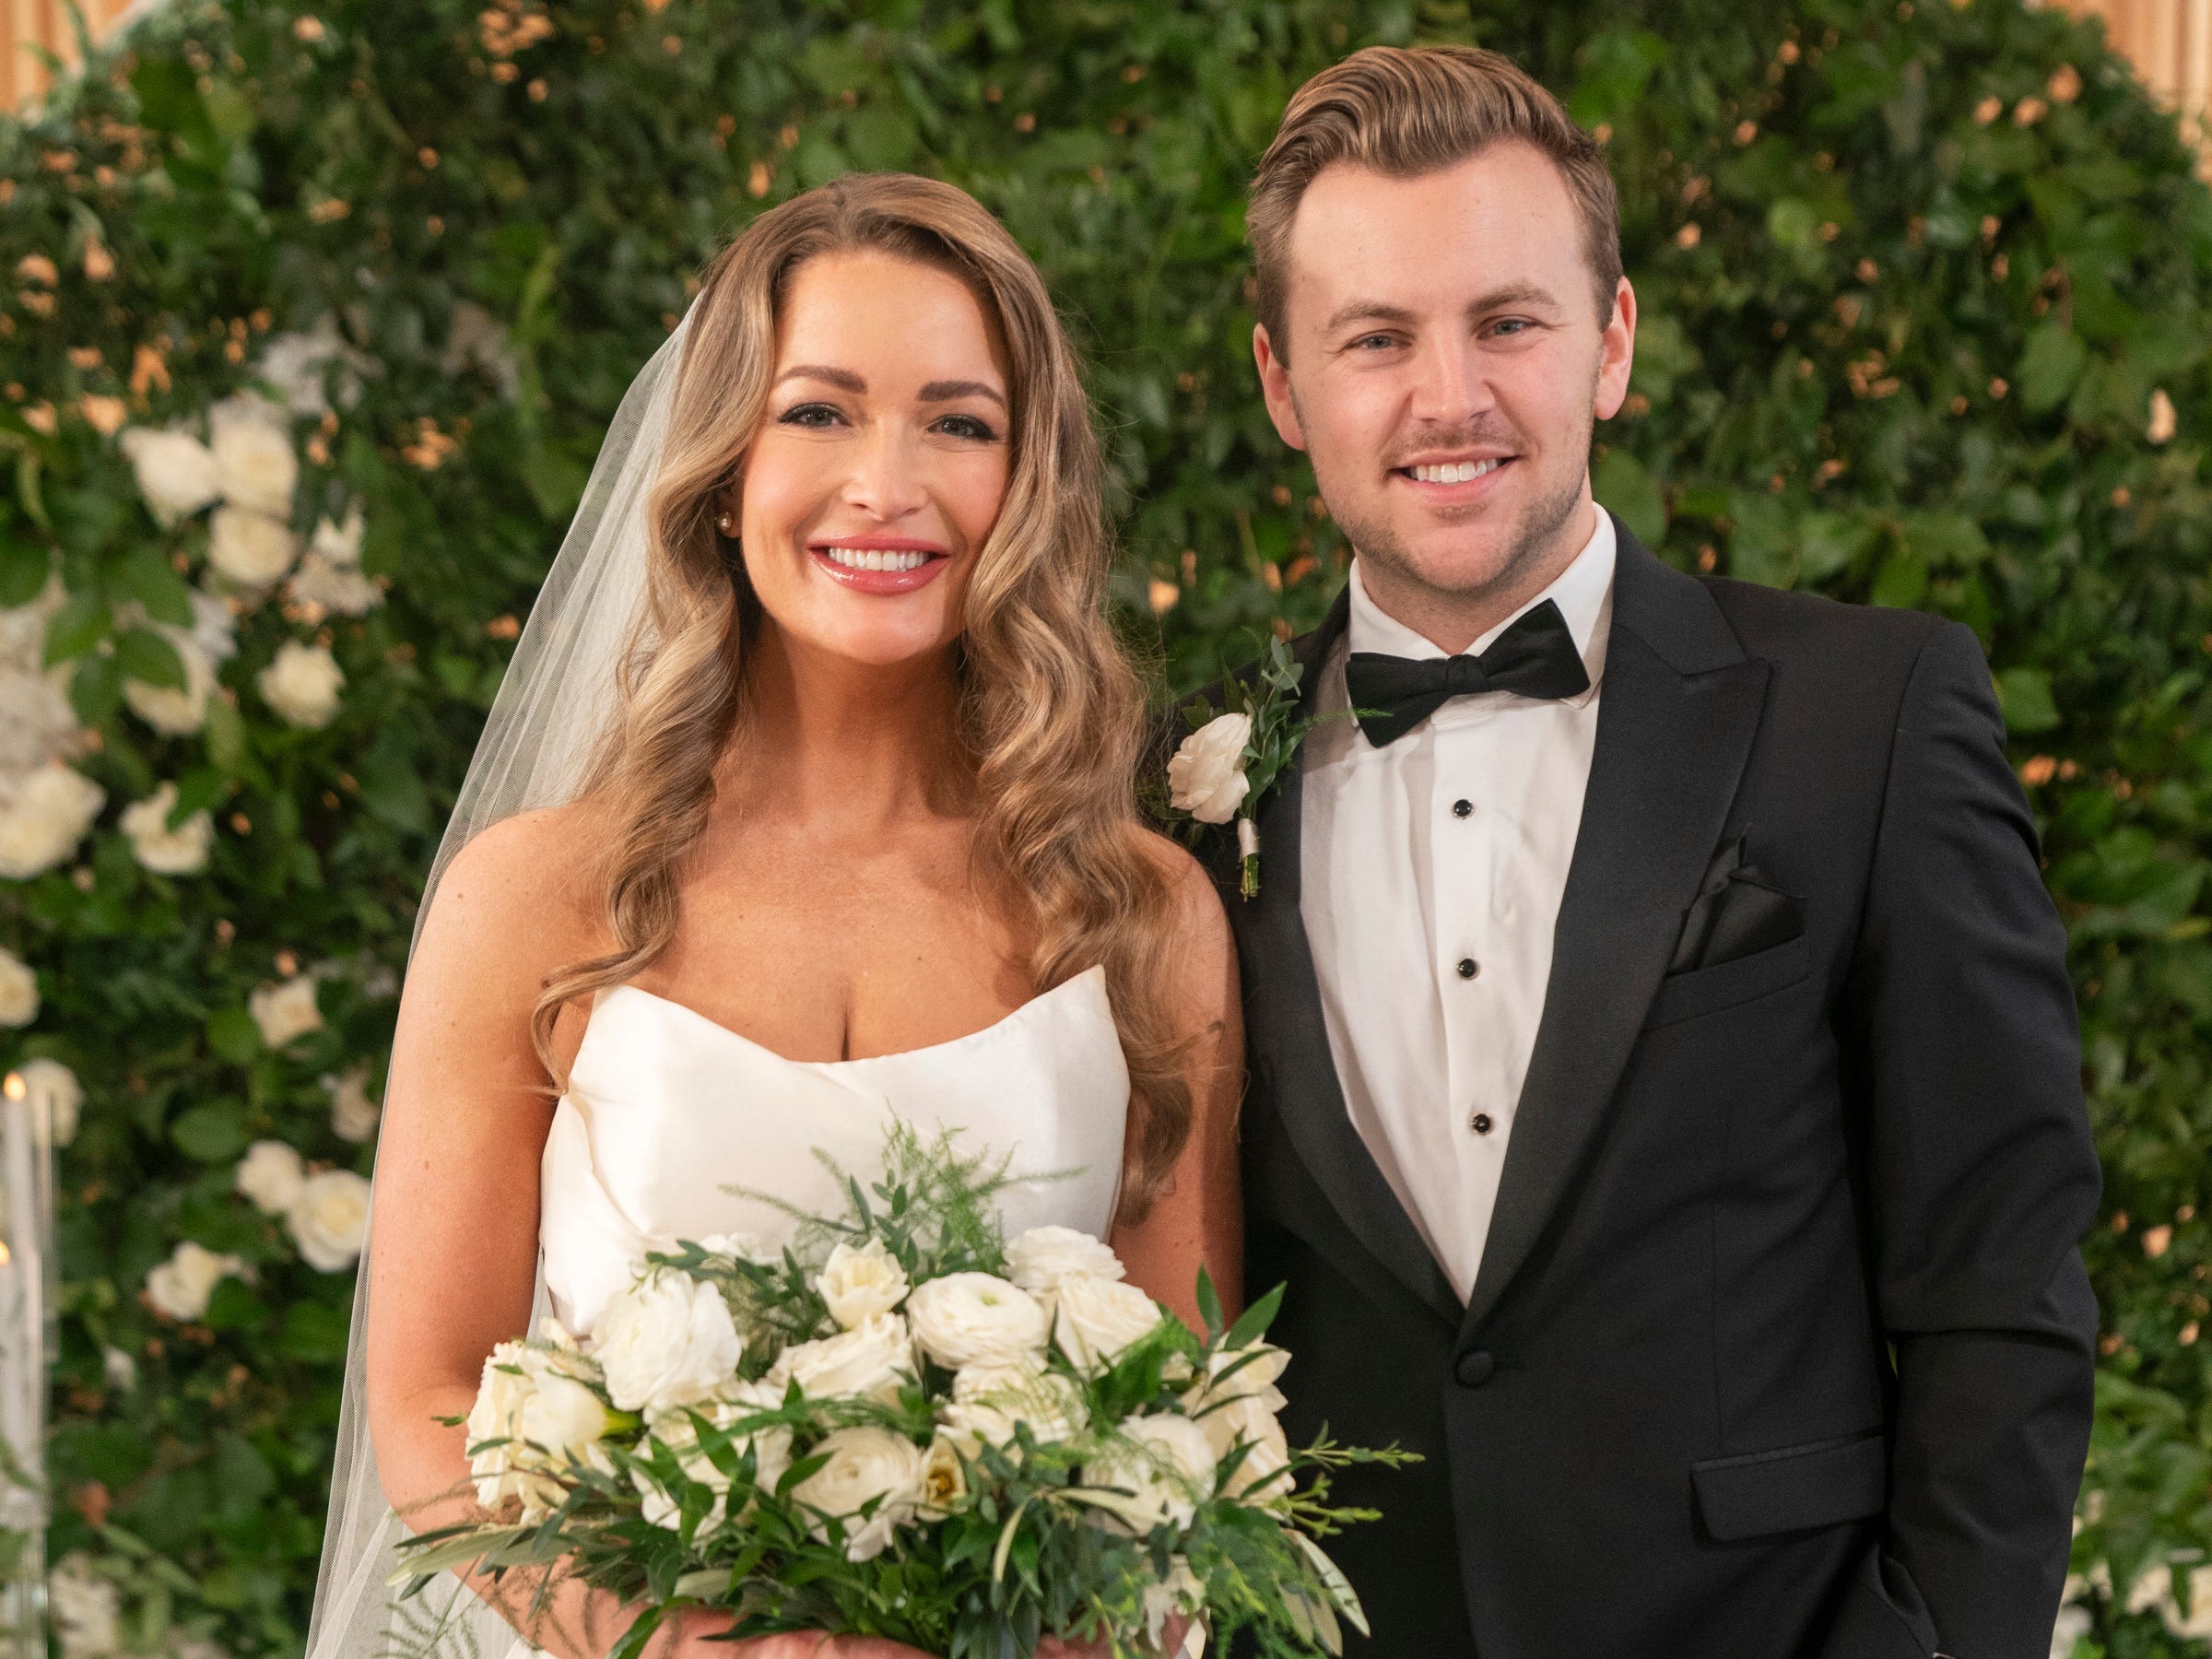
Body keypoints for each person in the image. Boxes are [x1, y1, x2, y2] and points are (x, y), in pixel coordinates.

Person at [1197, 43, 2100, 1659]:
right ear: (1283, 386)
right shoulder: (1180, 795)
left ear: (1612, 341)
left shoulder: (1868, 717)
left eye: (1510, 322)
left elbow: (2001, 1285)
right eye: (1377, 340)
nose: (1448, 396)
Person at [305, 174, 1241, 1659]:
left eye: (959, 420)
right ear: (725, 464)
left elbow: (1191, 1417)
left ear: (1030, 480)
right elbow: (427, 1395)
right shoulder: (537, 896)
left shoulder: (1138, 912)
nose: (887, 482)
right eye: (818, 411)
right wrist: (682, 1645)